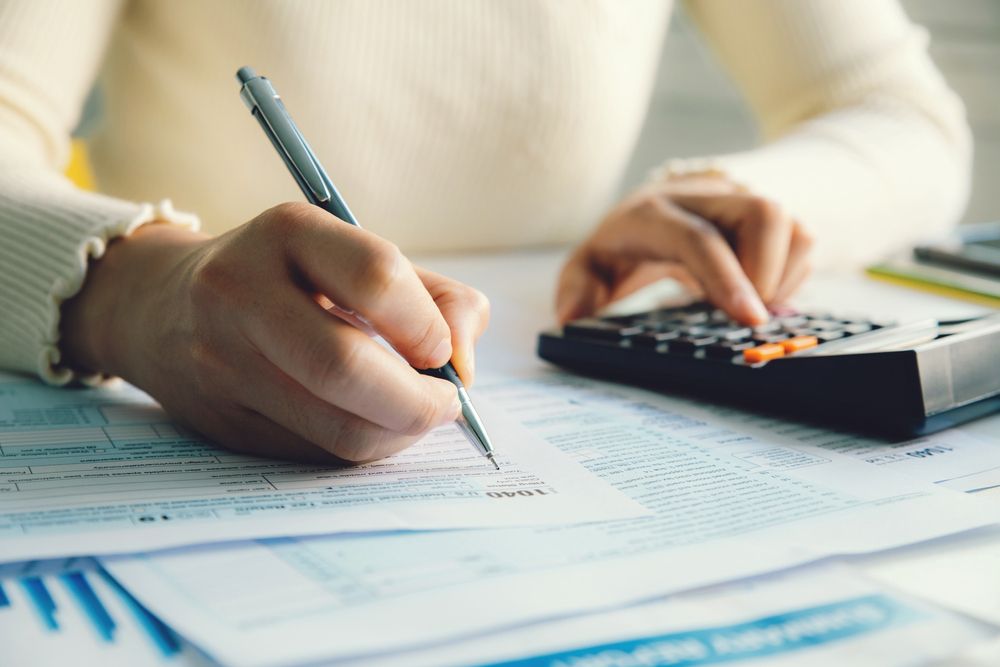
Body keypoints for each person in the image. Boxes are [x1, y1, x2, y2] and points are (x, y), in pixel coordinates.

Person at [0, 1, 970, 463]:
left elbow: (902, 117)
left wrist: (734, 196)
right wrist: (135, 292)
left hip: (553, 361)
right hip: (154, 399)